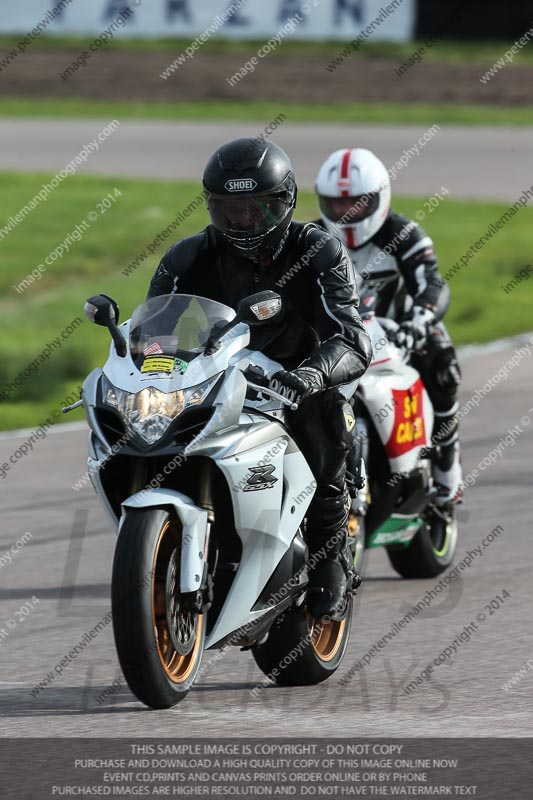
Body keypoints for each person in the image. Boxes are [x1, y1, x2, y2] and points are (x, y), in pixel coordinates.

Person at [146, 138, 372, 619]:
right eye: (230, 210)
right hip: (217, 377)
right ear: (211, 207)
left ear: (286, 202)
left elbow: (353, 340)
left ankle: (330, 559)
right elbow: (154, 334)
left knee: (329, 419)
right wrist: (145, 365)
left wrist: (310, 374)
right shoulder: (186, 259)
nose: (245, 222)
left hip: (300, 376)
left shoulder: (319, 250)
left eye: (259, 209)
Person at [314, 148, 462, 505]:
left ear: (379, 198)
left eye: (356, 204)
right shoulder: (312, 239)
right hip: (338, 339)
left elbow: (432, 284)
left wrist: (420, 320)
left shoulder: (403, 233)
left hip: (400, 330)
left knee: (443, 366)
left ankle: (446, 463)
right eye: (336, 204)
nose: (346, 213)